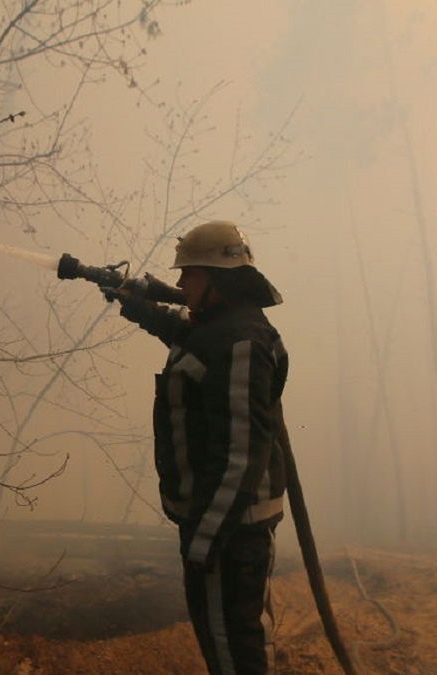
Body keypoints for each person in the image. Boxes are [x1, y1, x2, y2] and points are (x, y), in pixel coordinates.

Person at [106, 220, 288, 674]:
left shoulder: (243, 342)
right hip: (223, 522)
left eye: (190, 274)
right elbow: (188, 336)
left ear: (219, 279)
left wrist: (205, 540)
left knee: (233, 646)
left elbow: (241, 456)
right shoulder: (222, 329)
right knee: (227, 640)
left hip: (231, 529)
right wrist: (136, 305)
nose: (182, 282)